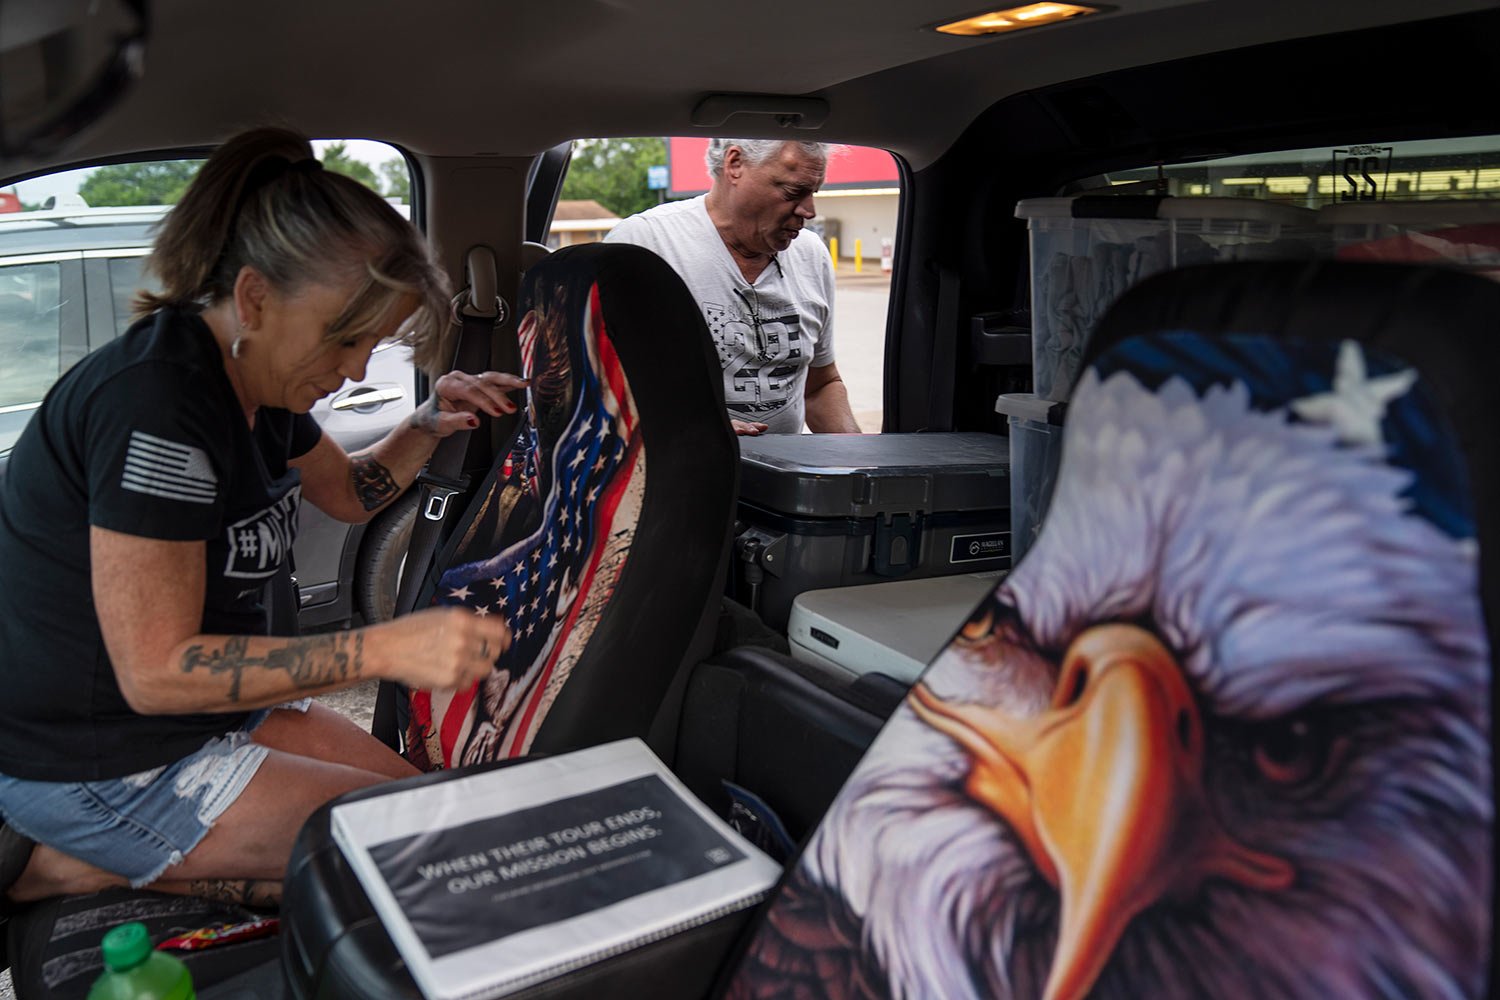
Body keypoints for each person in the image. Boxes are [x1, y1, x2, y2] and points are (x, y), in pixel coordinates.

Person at [0, 126, 524, 912]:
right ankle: (68, 859)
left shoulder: (259, 389)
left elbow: (348, 494)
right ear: (254, 298)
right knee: (425, 851)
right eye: (345, 340)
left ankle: (106, 864)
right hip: (100, 760)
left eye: (371, 344)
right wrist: (381, 648)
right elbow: (158, 671)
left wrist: (427, 425)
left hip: (209, 723)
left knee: (444, 808)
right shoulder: (160, 406)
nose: (353, 371)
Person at [605, 139, 861, 435]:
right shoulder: (645, 242)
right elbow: (595, 383)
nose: (809, 210)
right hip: (679, 475)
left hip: (782, 479)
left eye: (813, 193)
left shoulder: (812, 255)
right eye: (793, 192)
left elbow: (818, 387)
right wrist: (690, 424)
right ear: (735, 164)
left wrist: (859, 461)